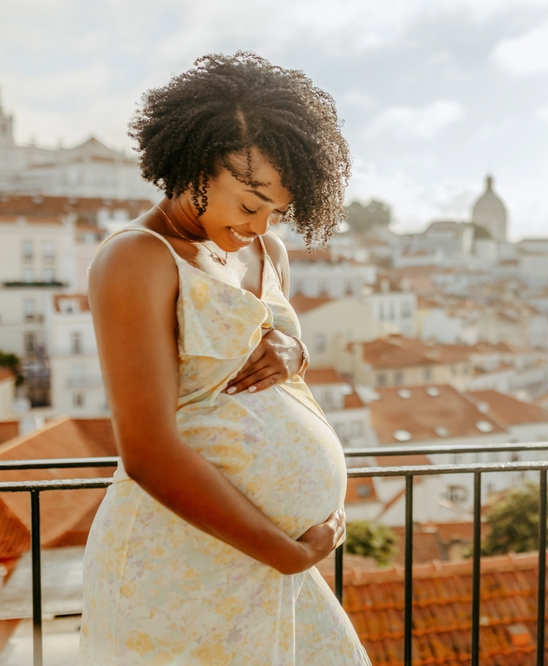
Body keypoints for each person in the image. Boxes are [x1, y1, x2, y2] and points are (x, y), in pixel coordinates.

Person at [80, 52, 370, 664]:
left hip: (265, 562)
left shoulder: (266, 250)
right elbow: (148, 452)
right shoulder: (137, 260)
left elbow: (256, 361)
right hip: (179, 566)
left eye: (278, 211)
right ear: (194, 163)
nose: (261, 224)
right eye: (249, 203)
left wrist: (296, 350)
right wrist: (287, 552)